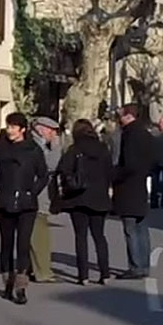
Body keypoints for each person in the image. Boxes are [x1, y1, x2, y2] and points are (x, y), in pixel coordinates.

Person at [0, 112, 48, 304]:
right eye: (8, 126)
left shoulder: (33, 149)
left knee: (23, 244)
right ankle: (7, 281)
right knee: (6, 244)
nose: (10, 130)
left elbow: (43, 175)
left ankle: (21, 286)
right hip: (4, 201)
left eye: (14, 127)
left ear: (22, 129)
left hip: (26, 204)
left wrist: (32, 192)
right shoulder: (1, 147)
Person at [57, 119, 113, 285]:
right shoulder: (103, 149)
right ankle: (105, 273)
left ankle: (84, 275)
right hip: (99, 197)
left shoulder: (74, 149)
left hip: (78, 198)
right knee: (99, 236)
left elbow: (63, 170)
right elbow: (110, 172)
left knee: (81, 237)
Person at [112, 103, 155, 279]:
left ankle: (136, 266)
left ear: (129, 116)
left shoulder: (129, 134)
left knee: (130, 228)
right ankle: (144, 264)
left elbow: (128, 163)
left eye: (121, 115)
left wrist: (114, 175)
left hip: (128, 186)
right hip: (141, 184)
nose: (118, 118)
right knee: (141, 227)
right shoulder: (146, 133)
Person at [29, 116, 62, 283]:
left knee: (36, 233)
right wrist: (56, 147)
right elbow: (51, 165)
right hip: (38, 195)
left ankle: (33, 268)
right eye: (51, 131)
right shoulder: (37, 145)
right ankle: (42, 271)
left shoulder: (39, 144)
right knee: (39, 235)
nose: (54, 134)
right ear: (41, 129)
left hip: (38, 194)